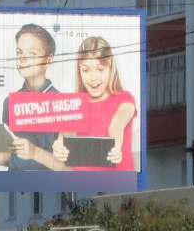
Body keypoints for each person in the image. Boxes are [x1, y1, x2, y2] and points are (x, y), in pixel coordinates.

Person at [0, 23, 67, 171]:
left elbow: (67, 167)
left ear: (49, 59)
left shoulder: (63, 103)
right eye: (19, 52)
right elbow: (10, 157)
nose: (23, 59)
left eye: (32, 54)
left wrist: (34, 152)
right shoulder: (10, 102)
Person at [51, 35, 137, 171]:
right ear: (79, 71)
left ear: (110, 69)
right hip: (82, 187)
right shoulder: (74, 103)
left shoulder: (125, 99)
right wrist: (60, 144)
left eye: (100, 70)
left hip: (117, 187)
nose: (93, 78)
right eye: (86, 70)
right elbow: (67, 132)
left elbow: (117, 124)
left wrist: (115, 145)